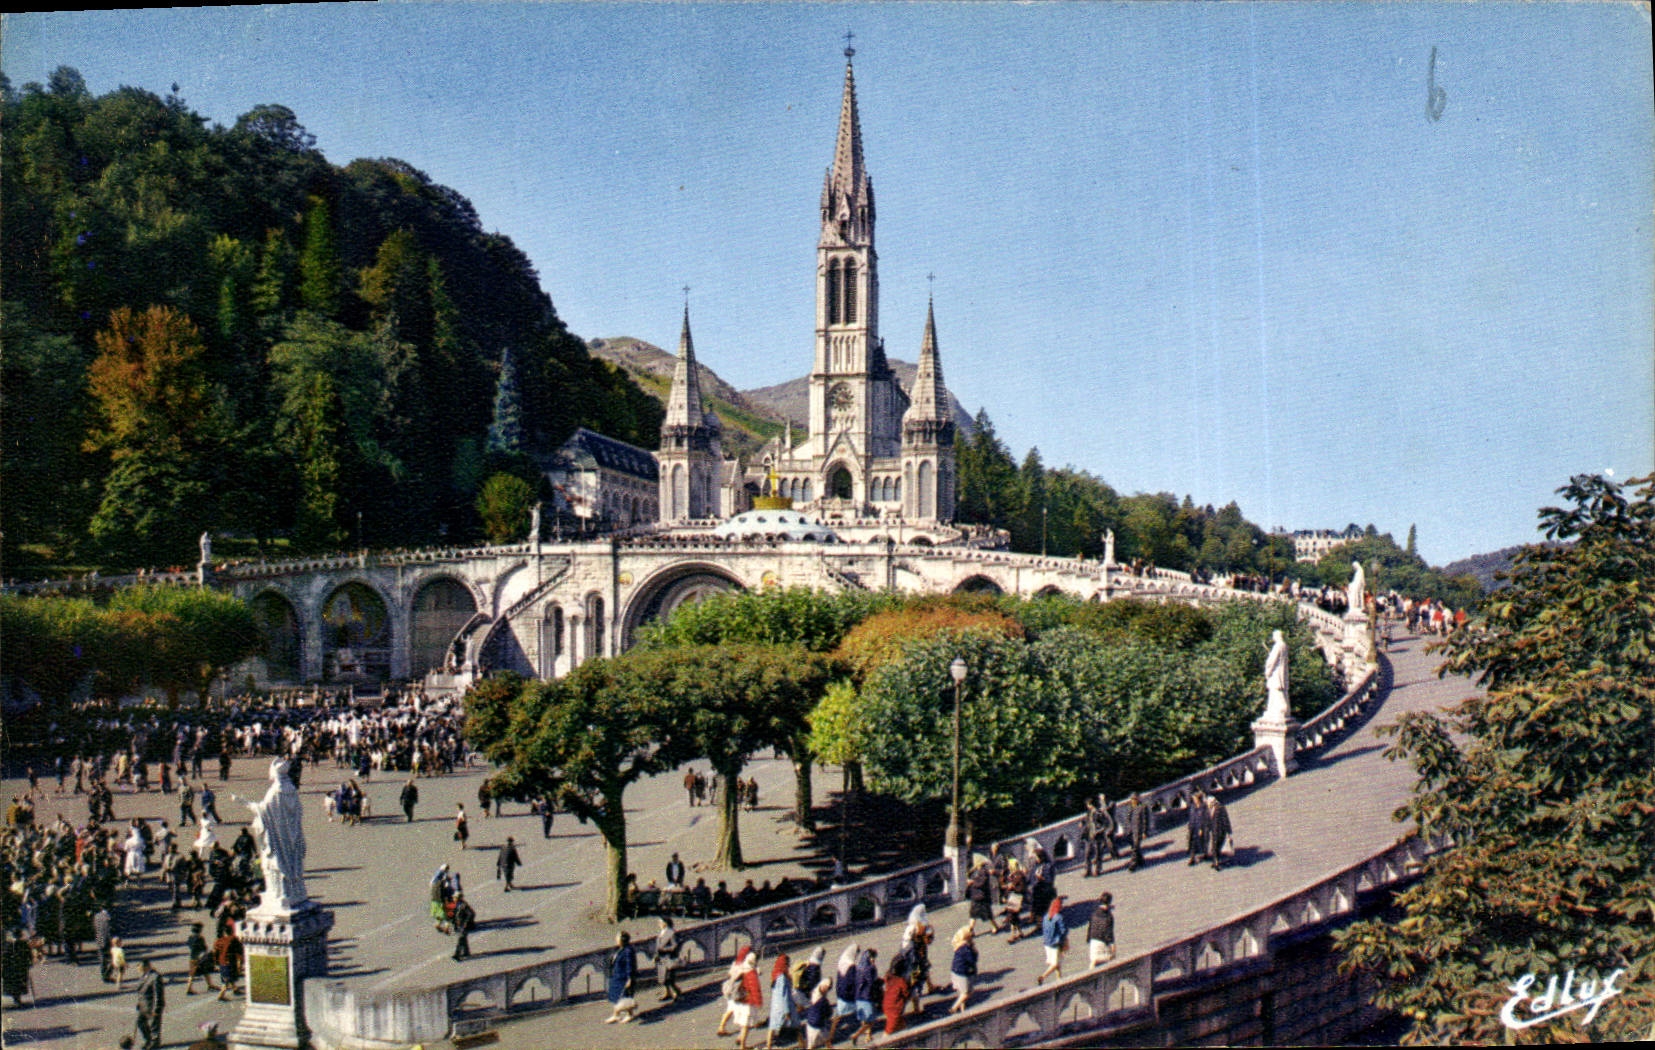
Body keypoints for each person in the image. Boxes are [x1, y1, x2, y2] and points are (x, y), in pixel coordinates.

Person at [714, 945, 753, 1038]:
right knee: (743, 1011)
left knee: (730, 1009)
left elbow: (730, 974)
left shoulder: (735, 963)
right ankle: (741, 1036)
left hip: (730, 990)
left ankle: (721, 1027)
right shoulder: (745, 965)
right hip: (738, 991)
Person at [825, 942, 859, 1047]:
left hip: (841, 993)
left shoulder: (842, 960)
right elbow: (852, 981)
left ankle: (829, 1038)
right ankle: (866, 1034)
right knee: (863, 1013)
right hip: (848, 995)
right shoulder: (851, 965)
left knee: (838, 1017)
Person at [603, 930, 637, 1024]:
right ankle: (616, 1015)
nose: (616, 939)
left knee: (624, 996)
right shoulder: (620, 949)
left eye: (617, 938)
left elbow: (630, 965)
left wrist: (630, 978)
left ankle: (629, 1014)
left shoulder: (628, 950)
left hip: (623, 977)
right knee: (617, 996)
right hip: (617, 977)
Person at [848, 947, 880, 1046]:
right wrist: (874, 968)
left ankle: (868, 1035)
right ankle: (857, 1035)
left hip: (858, 997)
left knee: (864, 1019)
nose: (874, 959)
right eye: (873, 957)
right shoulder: (869, 968)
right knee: (870, 1020)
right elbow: (872, 981)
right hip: (867, 996)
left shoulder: (858, 967)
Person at [765, 953, 798, 1048]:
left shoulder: (775, 974)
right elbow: (784, 995)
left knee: (773, 1026)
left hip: (775, 1004)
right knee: (795, 1024)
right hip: (783, 1004)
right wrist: (787, 1010)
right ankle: (802, 1043)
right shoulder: (782, 978)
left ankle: (768, 1046)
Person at [1036, 896, 1068, 986]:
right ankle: (1042, 977)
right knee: (1055, 963)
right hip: (1055, 943)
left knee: (1057, 962)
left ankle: (1059, 980)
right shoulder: (1058, 917)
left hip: (1047, 942)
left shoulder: (1046, 916)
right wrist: (1064, 941)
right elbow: (1063, 931)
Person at [135, 959, 165, 1050]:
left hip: (152, 1005)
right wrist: (139, 1003)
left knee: (154, 1025)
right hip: (144, 1005)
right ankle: (148, 1039)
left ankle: (155, 1042)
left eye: (141, 968)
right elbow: (141, 991)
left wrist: (157, 1009)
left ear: (147, 966)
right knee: (140, 1023)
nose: (139, 970)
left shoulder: (155, 977)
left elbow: (158, 994)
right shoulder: (144, 975)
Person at [948, 925, 977, 1014]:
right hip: (962, 973)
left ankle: (963, 1009)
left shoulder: (959, 945)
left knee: (962, 992)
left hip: (955, 972)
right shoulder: (966, 949)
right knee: (968, 992)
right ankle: (954, 1008)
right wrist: (974, 950)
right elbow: (972, 960)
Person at [880, 954, 910, 1037]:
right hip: (895, 1008)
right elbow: (906, 994)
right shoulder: (901, 981)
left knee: (902, 1025)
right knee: (888, 1031)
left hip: (886, 1005)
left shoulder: (888, 976)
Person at [965, 860, 998, 935]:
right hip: (976, 896)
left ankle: (995, 927)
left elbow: (982, 883)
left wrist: (972, 882)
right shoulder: (975, 871)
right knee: (973, 914)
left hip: (982, 897)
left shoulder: (983, 872)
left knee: (987, 914)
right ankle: (971, 930)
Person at [654, 917, 683, 1002]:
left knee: (669, 978)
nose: (659, 924)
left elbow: (675, 946)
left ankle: (677, 992)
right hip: (662, 958)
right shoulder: (662, 932)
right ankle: (668, 993)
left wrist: (663, 949)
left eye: (660, 922)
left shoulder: (671, 932)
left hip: (669, 958)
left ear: (665, 923)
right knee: (663, 979)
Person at [3, 929, 33, 1009]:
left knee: (14, 984)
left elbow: (5, 956)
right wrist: (29, 963)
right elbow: (29, 954)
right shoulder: (24, 943)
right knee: (20, 983)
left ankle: (16, 999)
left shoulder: (9, 944)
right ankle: (18, 999)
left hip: (12, 968)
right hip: (21, 967)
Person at [184, 923, 217, 994]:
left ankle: (189, 988)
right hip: (200, 958)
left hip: (192, 957)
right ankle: (209, 985)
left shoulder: (190, 937)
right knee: (204, 971)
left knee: (193, 973)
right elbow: (205, 948)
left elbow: (189, 945)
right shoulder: (200, 938)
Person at [803, 978, 834, 1049]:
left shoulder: (815, 992)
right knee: (814, 1045)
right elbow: (829, 1013)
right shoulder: (823, 1000)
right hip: (817, 1025)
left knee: (826, 1041)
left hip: (810, 1022)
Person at [1087, 891, 1116, 966]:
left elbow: (1090, 927)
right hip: (1102, 941)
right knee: (1110, 959)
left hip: (1093, 940)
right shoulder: (1108, 916)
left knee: (1093, 961)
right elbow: (1109, 933)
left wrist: (1088, 939)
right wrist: (1112, 946)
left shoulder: (1094, 913)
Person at [1207, 795, 1233, 871]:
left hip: (1220, 830)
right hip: (1215, 831)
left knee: (1217, 846)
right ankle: (1215, 862)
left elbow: (1226, 820)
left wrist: (1228, 831)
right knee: (1215, 847)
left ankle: (1216, 862)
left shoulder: (1220, 808)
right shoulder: (1212, 809)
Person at [1126, 792, 1150, 872]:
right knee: (1134, 847)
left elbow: (1145, 820)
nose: (1133, 801)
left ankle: (1133, 864)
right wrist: (1127, 829)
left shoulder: (1142, 807)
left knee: (1135, 847)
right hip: (1131, 830)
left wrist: (1144, 832)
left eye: (1134, 799)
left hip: (1138, 830)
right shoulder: (1130, 807)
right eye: (1132, 799)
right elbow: (1128, 819)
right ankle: (1140, 860)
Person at [1186, 788, 1208, 865]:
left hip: (1200, 827)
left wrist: (1202, 828)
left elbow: (1204, 818)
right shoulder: (1192, 807)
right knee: (1192, 843)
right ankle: (1192, 858)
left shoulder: (1203, 807)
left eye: (1195, 799)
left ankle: (1205, 853)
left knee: (1201, 842)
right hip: (1193, 827)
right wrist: (1189, 827)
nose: (1194, 800)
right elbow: (1191, 817)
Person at [450, 892, 476, 961]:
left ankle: (457, 954)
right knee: (463, 939)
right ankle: (466, 952)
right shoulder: (457, 905)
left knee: (460, 939)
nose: (453, 898)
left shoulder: (463, 905)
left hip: (464, 926)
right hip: (459, 925)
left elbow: (471, 914)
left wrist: (466, 922)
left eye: (454, 897)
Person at [429, 864, 451, 932]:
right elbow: (446, 886)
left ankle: (438, 924)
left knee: (439, 913)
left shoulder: (434, 881)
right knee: (446, 914)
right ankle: (446, 927)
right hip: (440, 900)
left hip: (434, 899)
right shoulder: (442, 876)